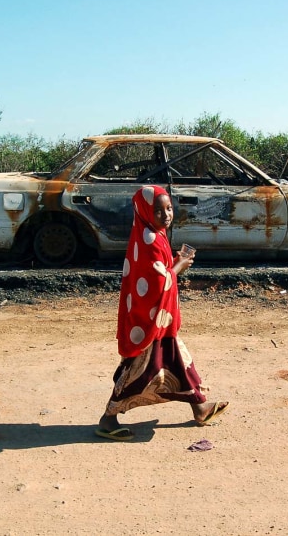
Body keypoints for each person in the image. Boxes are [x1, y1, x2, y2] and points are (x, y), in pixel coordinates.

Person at [96, 185, 229, 441]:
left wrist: (173, 260)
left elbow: (153, 269)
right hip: (152, 322)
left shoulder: (148, 233)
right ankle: (108, 419)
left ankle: (200, 407)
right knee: (140, 371)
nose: (166, 214)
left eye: (169, 208)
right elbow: (158, 282)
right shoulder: (152, 239)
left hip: (159, 320)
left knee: (179, 363)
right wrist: (178, 266)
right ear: (146, 211)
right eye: (158, 210)